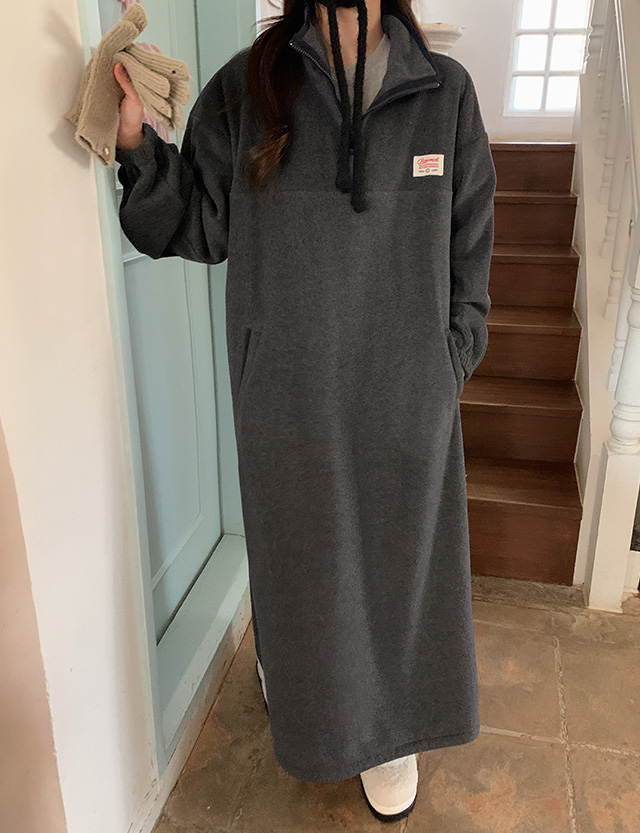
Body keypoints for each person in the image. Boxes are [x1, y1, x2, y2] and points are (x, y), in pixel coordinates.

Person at [114, 0, 496, 821]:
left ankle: (392, 732)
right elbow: (196, 221)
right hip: (287, 394)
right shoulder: (248, 89)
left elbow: (471, 249)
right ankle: (304, 694)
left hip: (406, 392)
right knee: (304, 568)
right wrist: (137, 145)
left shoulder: (446, 94)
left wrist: (448, 359)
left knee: (403, 565)